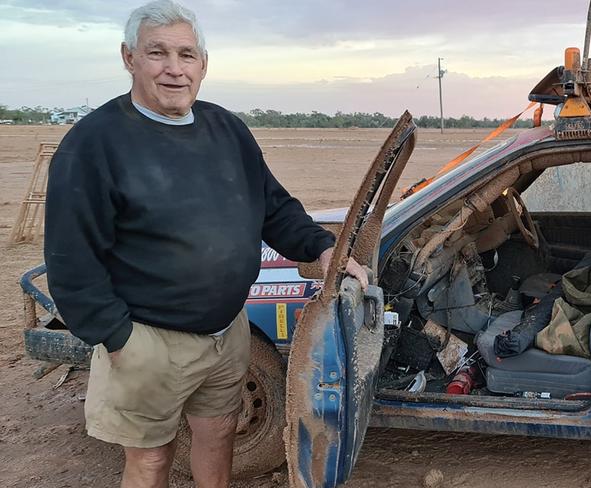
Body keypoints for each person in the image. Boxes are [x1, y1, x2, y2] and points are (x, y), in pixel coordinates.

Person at [44, 1, 367, 486]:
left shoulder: (226, 130)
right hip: (145, 337)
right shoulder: (94, 143)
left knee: (218, 437)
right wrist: (117, 338)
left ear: (203, 64)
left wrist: (321, 248)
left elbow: (273, 207)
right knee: (151, 460)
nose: (174, 69)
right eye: (158, 53)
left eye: (186, 55)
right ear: (129, 57)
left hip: (226, 332)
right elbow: (71, 259)